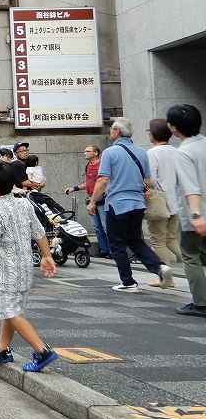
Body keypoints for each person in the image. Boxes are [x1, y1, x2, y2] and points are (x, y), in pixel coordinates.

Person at [0, 162, 59, 372]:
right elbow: (39, 230)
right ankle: (2, 349)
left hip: (5, 271)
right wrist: (47, 255)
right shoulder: (23, 203)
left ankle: (42, 351)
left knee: (11, 312)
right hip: (24, 268)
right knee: (10, 309)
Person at [88, 117, 174, 292]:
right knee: (136, 241)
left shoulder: (110, 153)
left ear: (117, 132)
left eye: (112, 129)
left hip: (117, 204)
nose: (110, 131)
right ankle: (160, 267)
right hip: (138, 204)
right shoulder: (141, 152)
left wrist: (92, 202)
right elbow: (147, 180)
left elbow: (103, 179)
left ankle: (128, 282)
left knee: (117, 244)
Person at [166, 104, 206, 317]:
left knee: (191, 256)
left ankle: (201, 303)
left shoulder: (184, 152)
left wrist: (197, 215)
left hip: (195, 215)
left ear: (173, 128)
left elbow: (191, 187)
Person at [146, 118, 182, 282]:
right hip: (175, 201)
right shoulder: (176, 150)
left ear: (153, 134)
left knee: (158, 241)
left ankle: (166, 279)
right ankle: (195, 260)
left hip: (158, 202)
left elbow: (150, 180)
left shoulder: (152, 153)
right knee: (172, 238)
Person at [65, 145, 109, 259]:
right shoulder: (88, 166)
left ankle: (113, 250)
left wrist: (108, 188)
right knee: (97, 226)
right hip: (91, 197)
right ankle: (104, 250)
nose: (84, 153)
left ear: (95, 153)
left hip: (102, 198)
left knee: (106, 226)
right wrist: (74, 188)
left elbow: (110, 179)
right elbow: (89, 183)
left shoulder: (102, 164)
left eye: (87, 151)